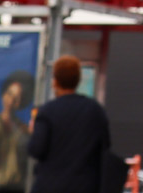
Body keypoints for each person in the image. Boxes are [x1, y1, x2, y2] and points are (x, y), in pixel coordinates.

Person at [27, 54, 114, 193]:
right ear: (78, 80)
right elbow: (105, 146)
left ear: (55, 82)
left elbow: (36, 149)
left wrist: (33, 132)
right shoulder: (95, 110)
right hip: (85, 187)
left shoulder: (47, 112)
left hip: (49, 186)